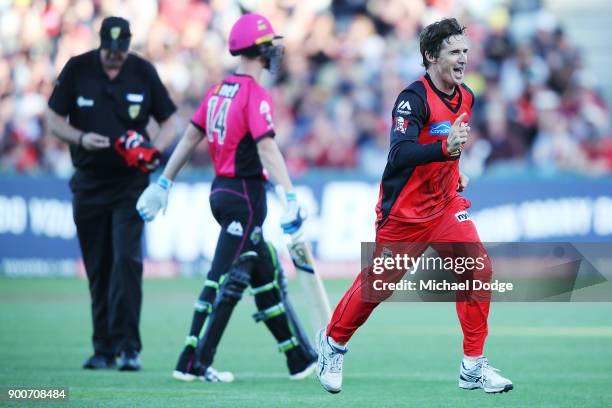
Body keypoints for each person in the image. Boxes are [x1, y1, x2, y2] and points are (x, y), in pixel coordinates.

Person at [316, 18, 514, 394]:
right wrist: (446, 150)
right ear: (430, 56)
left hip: (444, 207)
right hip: (404, 215)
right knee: (377, 286)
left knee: (477, 269)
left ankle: (472, 366)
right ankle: (332, 344)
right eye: (454, 52)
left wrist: (455, 172)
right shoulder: (413, 99)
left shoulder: (467, 96)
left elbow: (448, 146)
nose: (462, 60)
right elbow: (399, 154)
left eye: (465, 52)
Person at [136, 13, 317, 382]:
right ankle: (191, 361)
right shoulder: (254, 94)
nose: (275, 52)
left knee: (263, 270)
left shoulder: (219, 90)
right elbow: (267, 150)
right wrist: (290, 197)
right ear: (260, 50)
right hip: (246, 195)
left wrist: (164, 184)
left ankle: (298, 358)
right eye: (270, 46)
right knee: (223, 279)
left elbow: (189, 139)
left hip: (222, 191)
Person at [46, 16, 177, 371]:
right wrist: (81, 138)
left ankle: (128, 347)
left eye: (120, 52)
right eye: (109, 52)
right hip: (88, 182)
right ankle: (102, 348)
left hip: (130, 185)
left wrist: (153, 148)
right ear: (100, 43)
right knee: (98, 267)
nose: (115, 58)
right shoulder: (77, 69)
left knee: (127, 263)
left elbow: (170, 121)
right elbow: (54, 119)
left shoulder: (143, 71)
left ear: (128, 46)